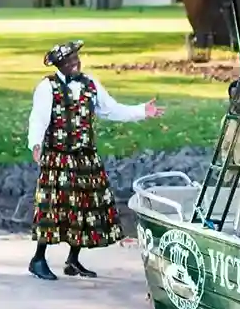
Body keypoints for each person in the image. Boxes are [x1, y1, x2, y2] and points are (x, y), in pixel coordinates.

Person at [27, 39, 164, 281]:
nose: (75, 63)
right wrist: (36, 143)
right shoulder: (47, 87)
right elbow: (39, 118)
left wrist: (142, 111)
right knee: (52, 209)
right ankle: (38, 259)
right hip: (59, 156)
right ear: (60, 65)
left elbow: (111, 109)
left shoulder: (90, 84)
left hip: (85, 156)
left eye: (76, 59)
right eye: (69, 61)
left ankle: (73, 259)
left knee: (85, 207)